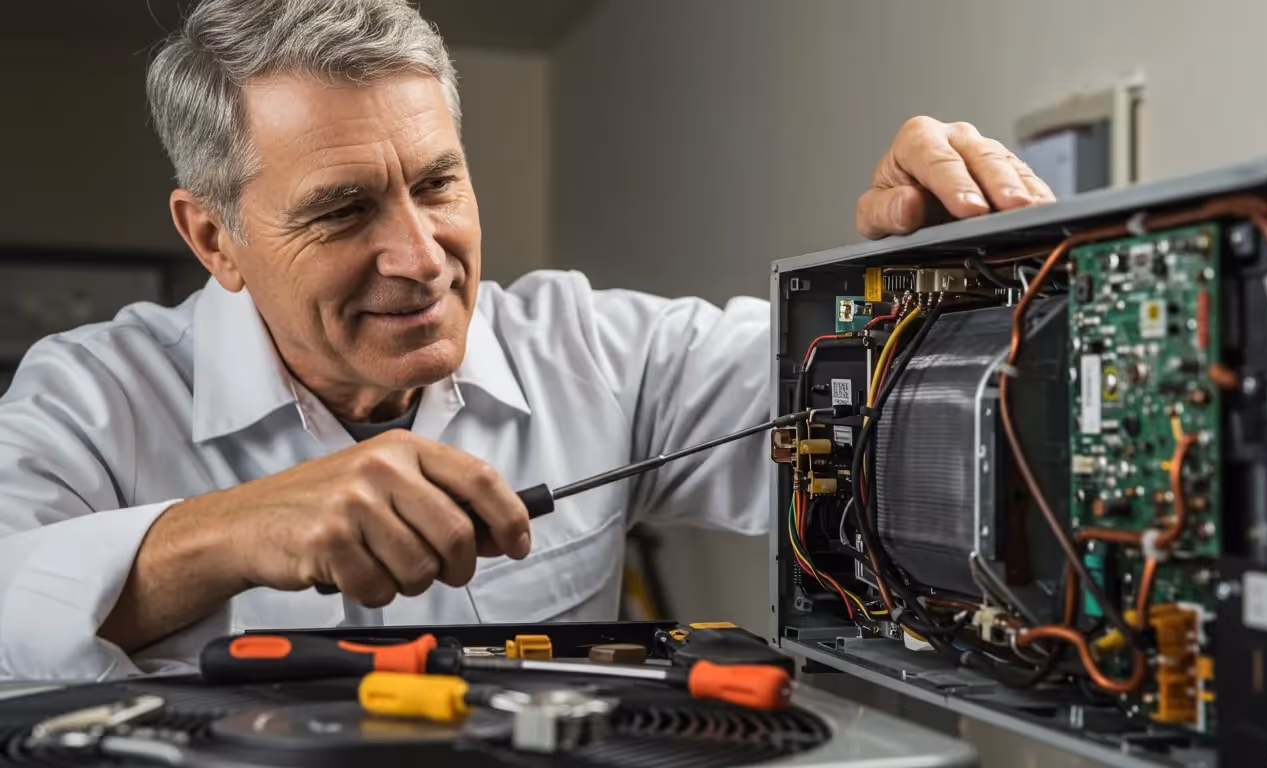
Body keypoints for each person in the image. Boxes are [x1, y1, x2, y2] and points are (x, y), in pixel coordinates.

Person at [0, 0, 1053, 680]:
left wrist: (962, 283)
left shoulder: (603, 353)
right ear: (213, 237)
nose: (420, 256)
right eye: (341, 210)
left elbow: (865, 420)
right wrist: (224, 532)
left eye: (437, 184)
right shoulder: (89, 398)